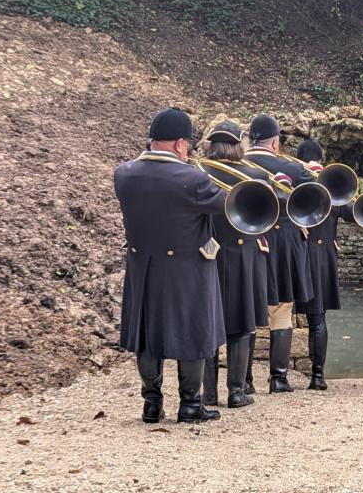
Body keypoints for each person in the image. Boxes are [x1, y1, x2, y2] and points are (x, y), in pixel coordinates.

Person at [113, 108, 226, 423]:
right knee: (193, 328)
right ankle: (190, 404)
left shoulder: (123, 174)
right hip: (187, 269)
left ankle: (152, 403)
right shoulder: (193, 178)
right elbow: (226, 203)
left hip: (143, 267)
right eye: (187, 145)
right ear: (179, 144)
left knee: (146, 332)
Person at [196, 121, 269, 409]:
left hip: (207, 255)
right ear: (239, 145)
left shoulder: (198, 173)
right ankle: (236, 392)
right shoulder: (255, 176)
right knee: (240, 324)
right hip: (243, 257)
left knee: (208, 322)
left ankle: (209, 393)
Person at [243, 114, 317, 394]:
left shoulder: (234, 166)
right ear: (275, 143)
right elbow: (317, 200)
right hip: (284, 244)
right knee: (282, 308)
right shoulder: (292, 168)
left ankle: (244, 381)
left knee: (247, 308)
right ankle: (278, 379)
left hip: (248, 241)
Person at [292, 138, 355, 391]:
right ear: (320, 159)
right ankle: (317, 377)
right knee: (318, 319)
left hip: (295, 257)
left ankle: (276, 378)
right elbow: (353, 213)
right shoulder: (330, 186)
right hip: (321, 260)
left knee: (281, 316)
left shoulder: (290, 180)